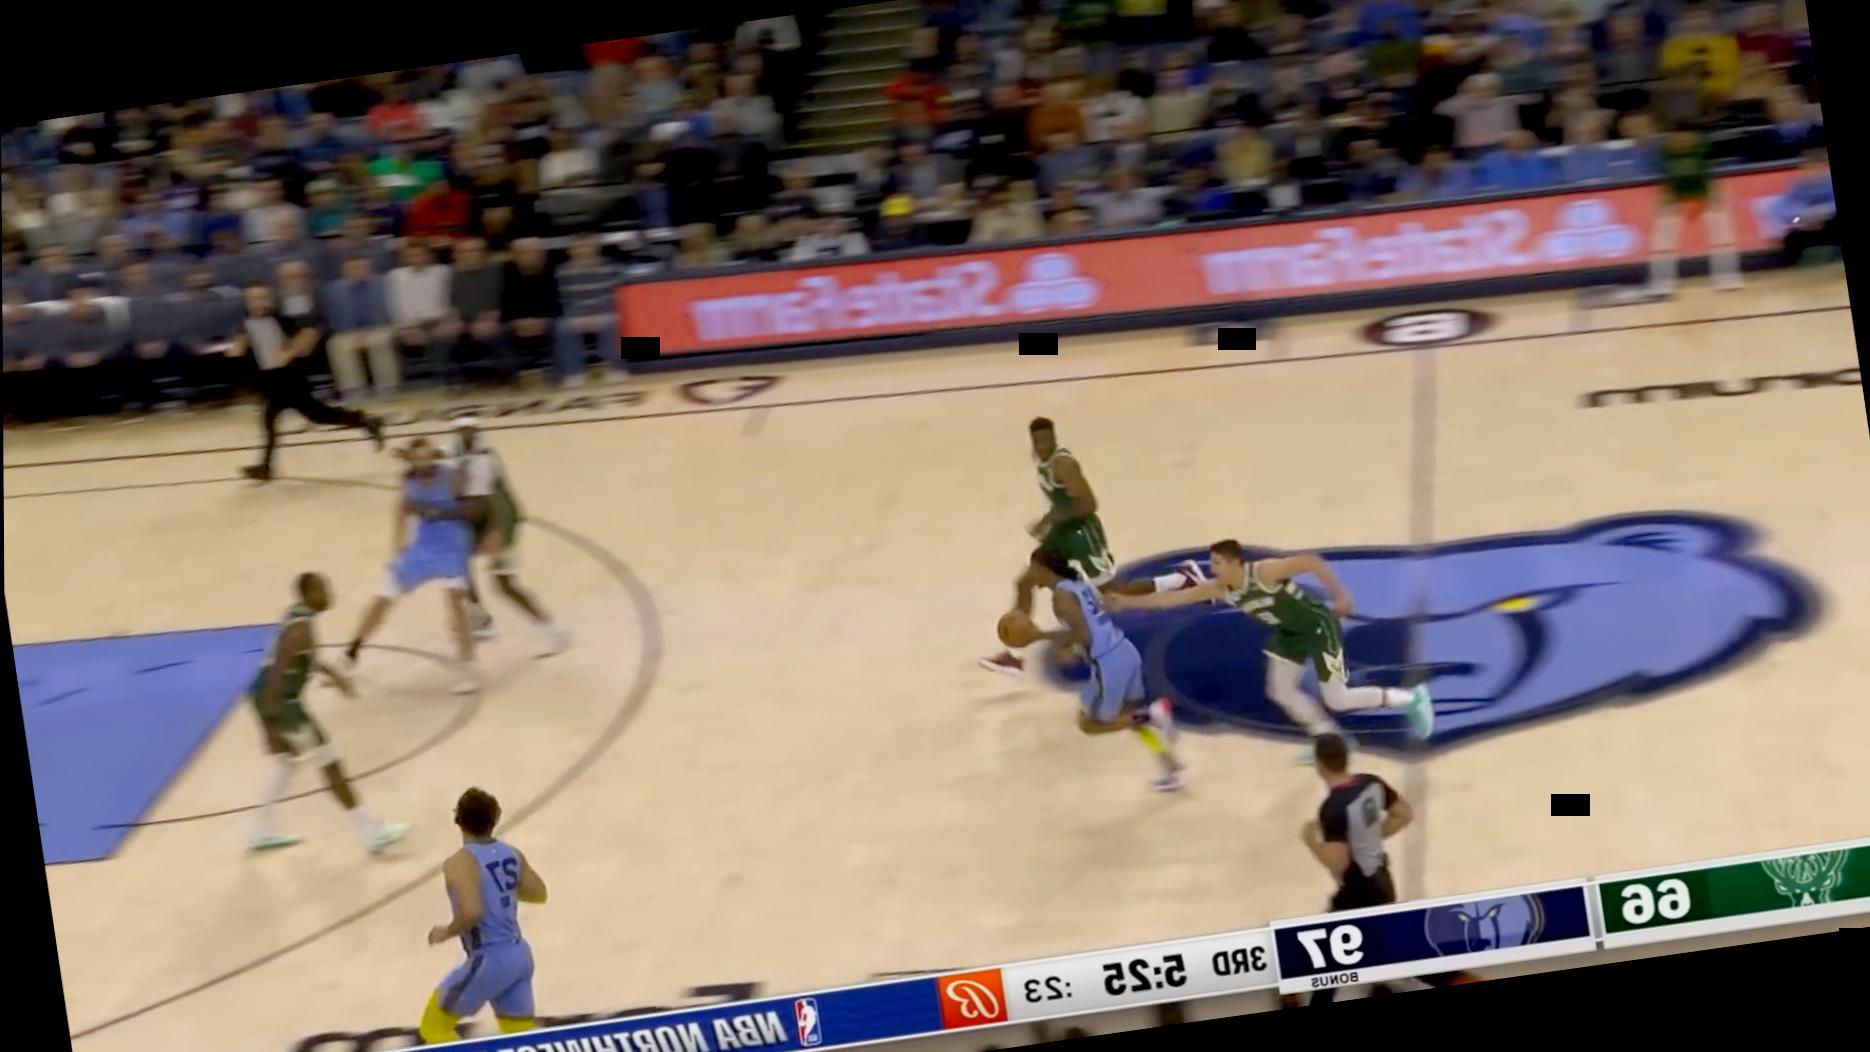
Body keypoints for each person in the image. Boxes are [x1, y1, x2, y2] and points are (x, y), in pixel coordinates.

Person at [1105, 539, 1434, 762]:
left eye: (1217, 562)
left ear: (1235, 562)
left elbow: (1310, 561)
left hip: (1318, 628)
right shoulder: (1221, 588)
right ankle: (1330, 738)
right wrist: (1128, 603)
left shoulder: (1264, 571)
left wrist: (1340, 595)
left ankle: (1410, 698)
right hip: (1290, 634)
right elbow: (1171, 599)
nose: (1213, 568)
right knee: (1280, 690)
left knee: (1338, 699)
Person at [979, 418, 1205, 677]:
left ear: (1054, 439)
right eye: (1037, 441)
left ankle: (1181, 579)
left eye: (1046, 441)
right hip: (1061, 534)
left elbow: (1088, 504)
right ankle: (1014, 656)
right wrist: (1051, 522)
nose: (1041, 446)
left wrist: (1050, 519)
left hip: (1081, 536)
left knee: (1110, 594)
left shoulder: (1064, 465)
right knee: (1025, 581)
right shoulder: (1041, 459)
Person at [1283, 734, 1474, 1005]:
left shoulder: (1333, 808)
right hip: (1382, 880)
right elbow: (1404, 814)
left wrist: (1310, 840)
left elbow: (1338, 862)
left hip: (1358, 890)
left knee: (1337, 949)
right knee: (1351, 949)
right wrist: (1371, 837)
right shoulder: (1370, 783)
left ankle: (1455, 979)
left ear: (1319, 764)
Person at [244, 572, 411, 854]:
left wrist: (336, 676)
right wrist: (270, 724)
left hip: (270, 697)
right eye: (322, 589)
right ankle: (371, 831)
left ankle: (258, 829)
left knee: (287, 763)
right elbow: (276, 671)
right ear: (308, 594)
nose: (329, 594)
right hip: (281, 701)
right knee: (329, 763)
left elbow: (307, 658)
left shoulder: (299, 617)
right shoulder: (301, 629)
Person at [1026, 547, 1186, 792]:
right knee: (1128, 716)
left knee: (1089, 724)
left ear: (1045, 569)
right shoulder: (1080, 585)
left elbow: (1083, 633)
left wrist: (1051, 640)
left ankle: (1151, 714)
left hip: (1108, 663)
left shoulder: (1061, 597)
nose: (1031, 574)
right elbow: (1099, 616)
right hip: (1124, 651)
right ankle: (1171, 767)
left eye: (1034, 569)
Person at [343, 437, 480, 695]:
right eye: (417, 457)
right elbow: (401, 513)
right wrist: (397, 549)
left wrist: (443, 514)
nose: (422, 461)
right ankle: (351, 653)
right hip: (424, 543)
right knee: (383, 596)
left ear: (432, 456)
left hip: (453, 542)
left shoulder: (450, 476)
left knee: (454, 601)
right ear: (411, 459)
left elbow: (473, 508)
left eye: (426, 456)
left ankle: (469, 664)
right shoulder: (408, 481)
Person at [418, 787, 546, 1044]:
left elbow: (472, 911)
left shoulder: (460, 862)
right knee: (520, 1035)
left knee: (434, 1027)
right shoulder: (512, 854)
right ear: (495, 818)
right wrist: (499, 893)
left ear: (458, 819)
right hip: (519, 954)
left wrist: (446, 931)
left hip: (489, 958)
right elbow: (538, 893)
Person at [232, 283, 385, 482]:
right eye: (254, 299)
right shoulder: (244, 325)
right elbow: (247, 349)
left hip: (289, 380)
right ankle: (265, 467)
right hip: (270, 382)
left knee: (319, 415)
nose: (259, 302)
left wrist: (291, 351)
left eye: (262, 297)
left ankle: (364, 420)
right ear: (246, 302)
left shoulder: (280, 320)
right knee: (271, 422)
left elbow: (309, 334)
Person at [450, 417, 571, 657]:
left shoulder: (484, 459)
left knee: (505, 585)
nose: (463, 433)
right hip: (481, 523)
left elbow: (495, 504)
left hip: (501, 523)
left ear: (476, 431)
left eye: (468, 429)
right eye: (460, 429)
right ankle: (481, 620)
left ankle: (553, 630)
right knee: (457, 564)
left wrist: (497, 534)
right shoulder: (458, 453)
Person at [1648, 126, 1741, 296]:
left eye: (1686, 136)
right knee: (1662, 244)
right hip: (1676, 199)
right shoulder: (1663, 154)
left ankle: (1727, 277)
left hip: (1704, 196)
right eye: (1676, 136)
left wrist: (1716, 195)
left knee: (1723, 239)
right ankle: (1661, 282)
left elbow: (1710, 174)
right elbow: (1665, 178)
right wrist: (1664, 199)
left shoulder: (1704, 150)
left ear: (1694, 137)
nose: (1681, 140)